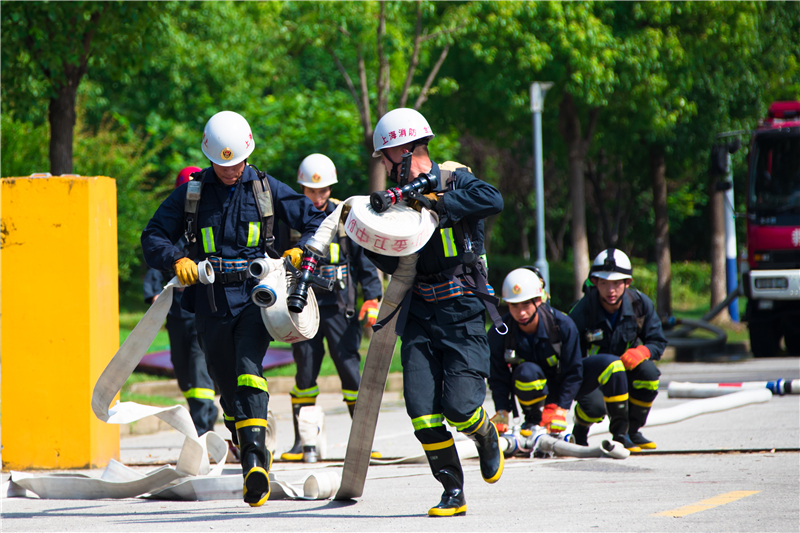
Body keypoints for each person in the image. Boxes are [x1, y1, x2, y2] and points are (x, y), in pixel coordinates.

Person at [141, 111, 325, 507]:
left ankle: (255, 462)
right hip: (208, 305)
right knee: (228, 391)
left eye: (236, 162)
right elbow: (152, 235)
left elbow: (318, 220)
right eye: (222, 163)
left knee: (248, 369)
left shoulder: (265, 187)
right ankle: (251, 449)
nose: (230, 170)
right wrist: (176, 260)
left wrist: (300, 250)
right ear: (209, 156)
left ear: (247, 154)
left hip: (256, 300)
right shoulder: (191, 194)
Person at [365, 107, 504, 517]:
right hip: (421, 314)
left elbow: (492, 199)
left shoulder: (455, 179)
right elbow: (393, 263)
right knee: (422, 412)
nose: (387, 169)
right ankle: (452, 490)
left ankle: (484, 432)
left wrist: (437, 202)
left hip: (462, 311)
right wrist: (371, 235)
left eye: (387, 157)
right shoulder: (395, 202)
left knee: (460, 409)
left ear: (404, 150)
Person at [276, 153, 383, 463]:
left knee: (351, 373)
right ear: (302, 189)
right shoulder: (291, 218)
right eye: (312, 191)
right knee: (305, 373)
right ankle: (302, 442)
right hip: (303, 308)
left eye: (323, 191)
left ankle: (364, 442)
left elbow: (364, 261)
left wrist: (372, 298)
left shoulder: (344, 216)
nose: (318, 196)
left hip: (340, 309)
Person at [143, 166, 219, 437]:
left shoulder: (210, 220)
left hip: (201, 310)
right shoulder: (170, 225)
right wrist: (153, 293)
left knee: (200, 371)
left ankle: (200, 432)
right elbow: (155, 261)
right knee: (183, 371)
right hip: (175, 315)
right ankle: (206, 413)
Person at [569, 248, 668, 452]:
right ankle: (580, 429)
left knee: (649, 373)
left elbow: (658, 341)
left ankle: (628, 433)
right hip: (594, 378)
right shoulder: (582, 310)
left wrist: (643, 352)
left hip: (626, 371)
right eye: (604, 283)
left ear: (627, 283)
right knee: (594, 408)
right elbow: (570, 354)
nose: (610, 290)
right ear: (595, 282)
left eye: (616, 283)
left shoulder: (640, 305)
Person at [487, 268, 582, 444]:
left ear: (538, 301)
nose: (520, 312)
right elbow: (497, 376)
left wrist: (560, 410)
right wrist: (502, 411)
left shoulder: (563, 326)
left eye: (526, 305)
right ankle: (533, 418)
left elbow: (574, 372)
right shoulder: (499, 332)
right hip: (525, 385)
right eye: (514, 305)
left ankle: (570, 427)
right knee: (526, 372)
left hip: (557, 391)